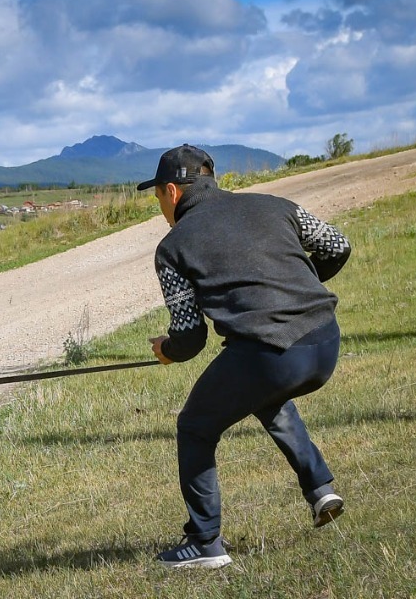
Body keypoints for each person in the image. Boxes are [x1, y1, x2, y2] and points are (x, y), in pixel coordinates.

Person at [138, 144, 352, 570]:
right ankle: (320, 488)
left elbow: (190, 336)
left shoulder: (173, 247)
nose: (161, 205)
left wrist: (167, 350)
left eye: (158, 196)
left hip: (269, 354)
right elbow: (338, 246)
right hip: (325, 342)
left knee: (195, 427)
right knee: (263, 396)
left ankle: (204, 542)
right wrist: (299, 285)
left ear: (172, 193)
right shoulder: (275, 205)